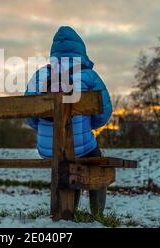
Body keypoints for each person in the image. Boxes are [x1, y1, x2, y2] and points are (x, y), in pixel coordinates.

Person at [25, 25, 113, 216]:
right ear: (81, 50)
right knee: (99, 165)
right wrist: (89, 124)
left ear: (53, 52)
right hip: (82, 146)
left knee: (64, 162)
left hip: (48, 148)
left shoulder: (40, 75)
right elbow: (104, 112)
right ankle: (97, 215)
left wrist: (44, 129)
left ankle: (66, 211)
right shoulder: (89, 75)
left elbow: (29, 116)